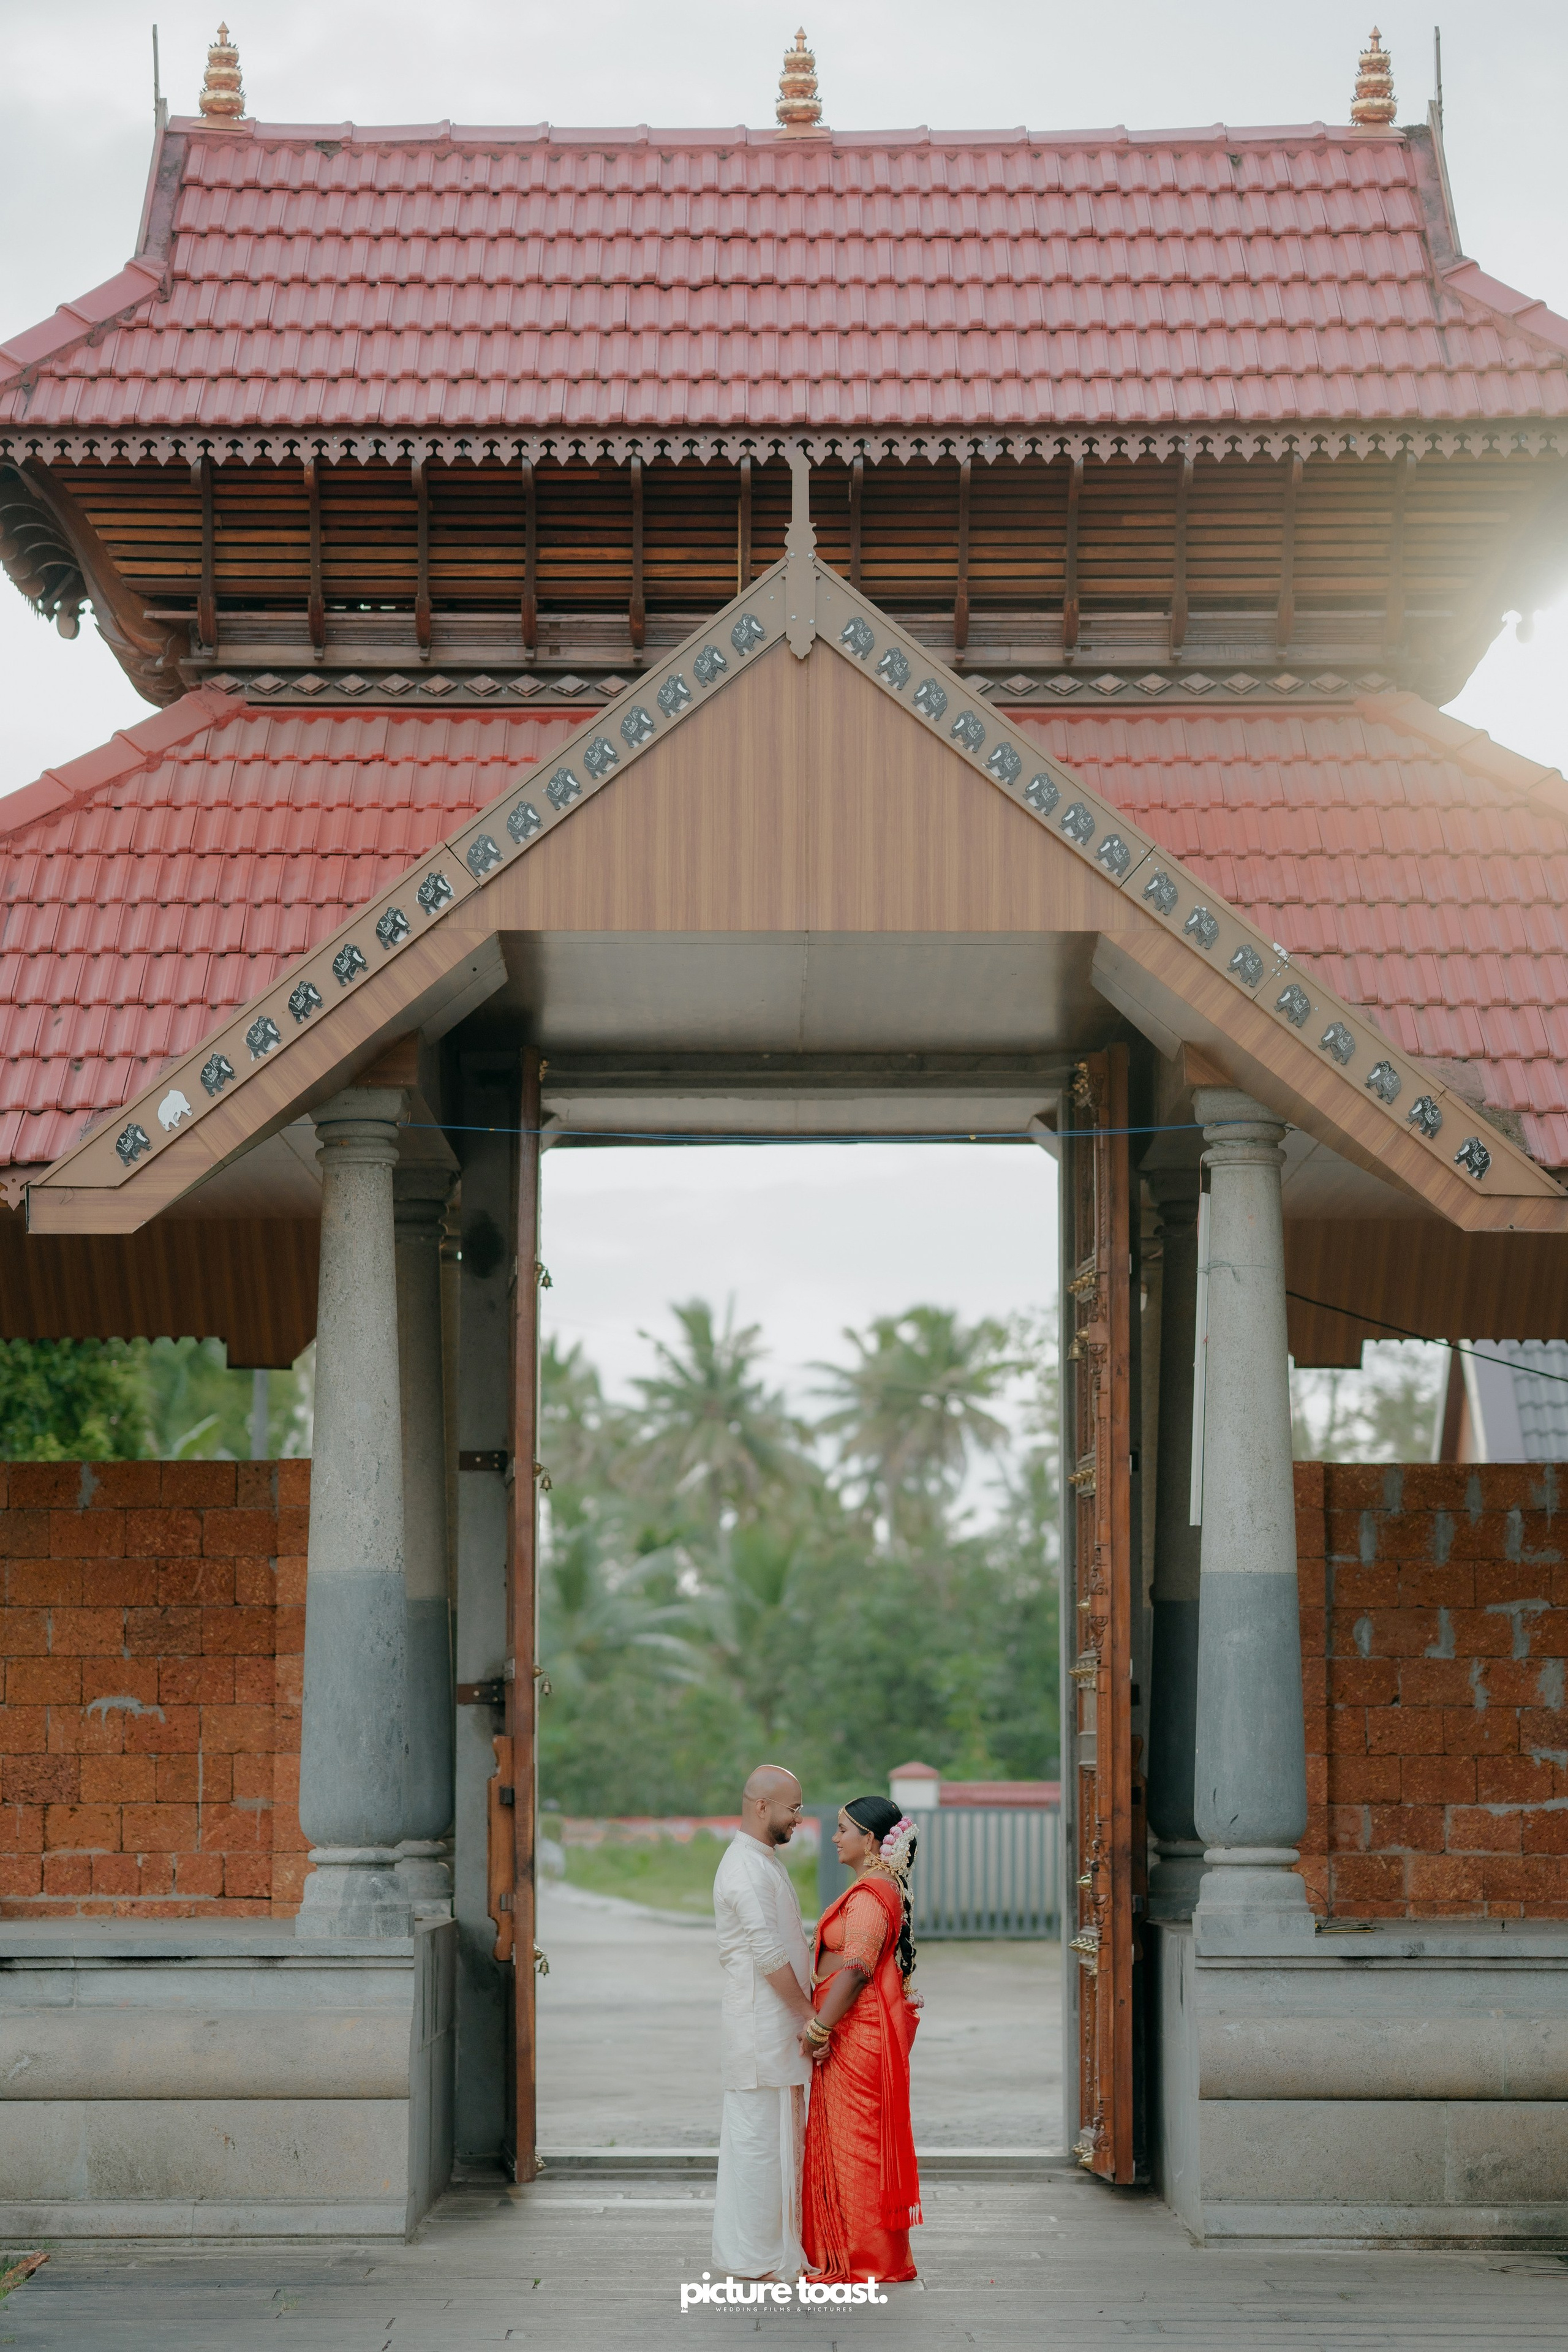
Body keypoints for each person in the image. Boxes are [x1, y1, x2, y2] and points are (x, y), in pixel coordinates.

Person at [799, 1795, 922, 2285]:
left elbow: (855, 1971)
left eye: (843, 1829)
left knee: (857, 2146)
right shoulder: (873, 1889)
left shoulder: (872, 1895)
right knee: (845, 2141)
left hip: (857, 2032)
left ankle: (868, 2259)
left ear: (870, 1840)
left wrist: (818, 2028)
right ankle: (853, 2252)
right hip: (852, 2028)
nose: (835, 1838)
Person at [710, 1764, 815, 2280]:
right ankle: (754, 2259)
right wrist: (811, 2017)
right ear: (761, 1807)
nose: (799, 1817)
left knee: (778, 2141)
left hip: (774, 2028)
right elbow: (768, 1954)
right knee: (758, 2146)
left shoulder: (762, 1860)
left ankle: (772, 2251)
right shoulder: (745, 1868)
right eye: (793, 1808)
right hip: (761, 2028)